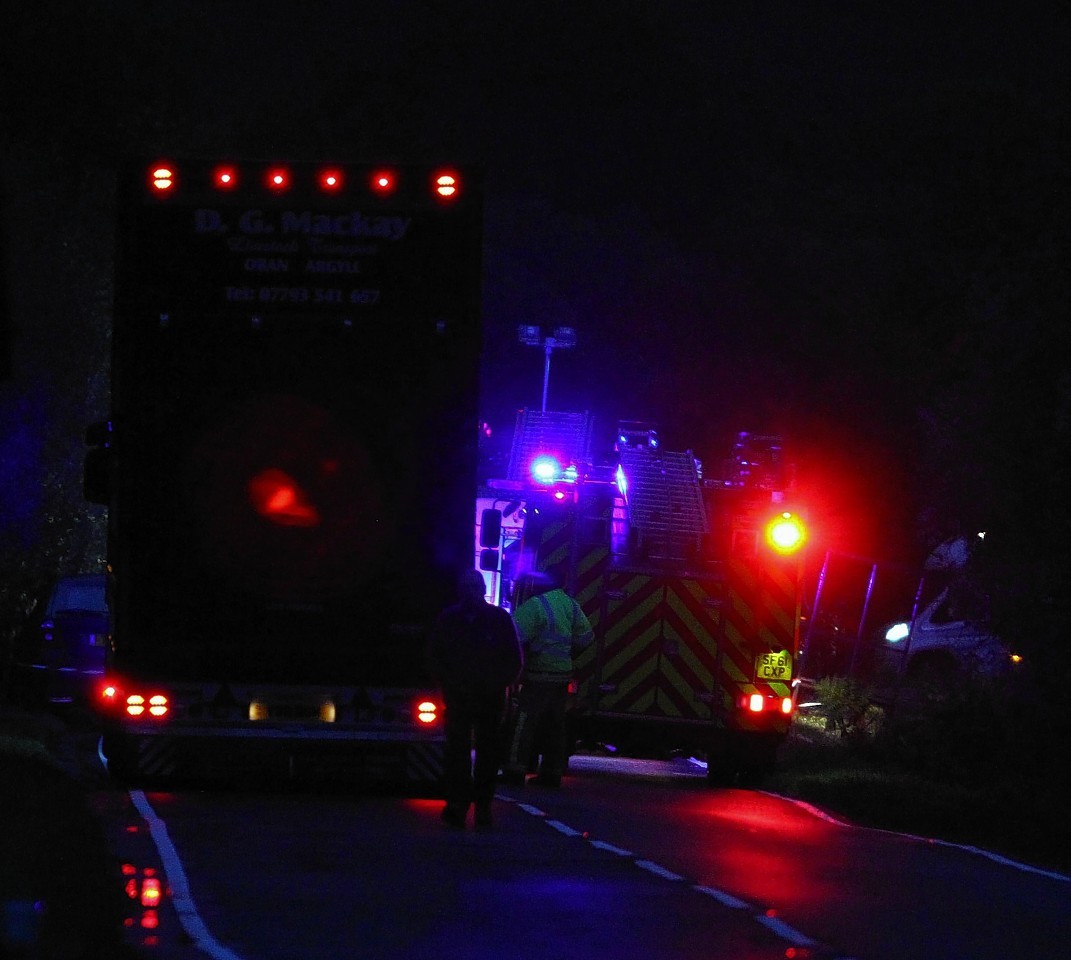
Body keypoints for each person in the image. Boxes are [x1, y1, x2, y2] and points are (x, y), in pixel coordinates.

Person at [426, 568, 524, 828]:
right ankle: (458, 804)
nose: (470, 592)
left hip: (488, 699)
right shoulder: (449, 620)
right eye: (466, 586)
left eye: (474, 586)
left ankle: (482, 807)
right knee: (457, 754)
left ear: (482, 590)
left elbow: (514, 660)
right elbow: (435, 656)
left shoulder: (498, 619)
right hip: (458, 697)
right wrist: (447, 684)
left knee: (487, 755)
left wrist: (496, 684)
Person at [502, 566, 593, 787]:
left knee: (525, 722)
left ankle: (515, 771)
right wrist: (568, 656)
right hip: (561, 677)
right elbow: (586, 638)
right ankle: (552, 774)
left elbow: (512, 637)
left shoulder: (535, 606)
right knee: (555, 726)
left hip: (538, 676)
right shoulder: (570, 605)